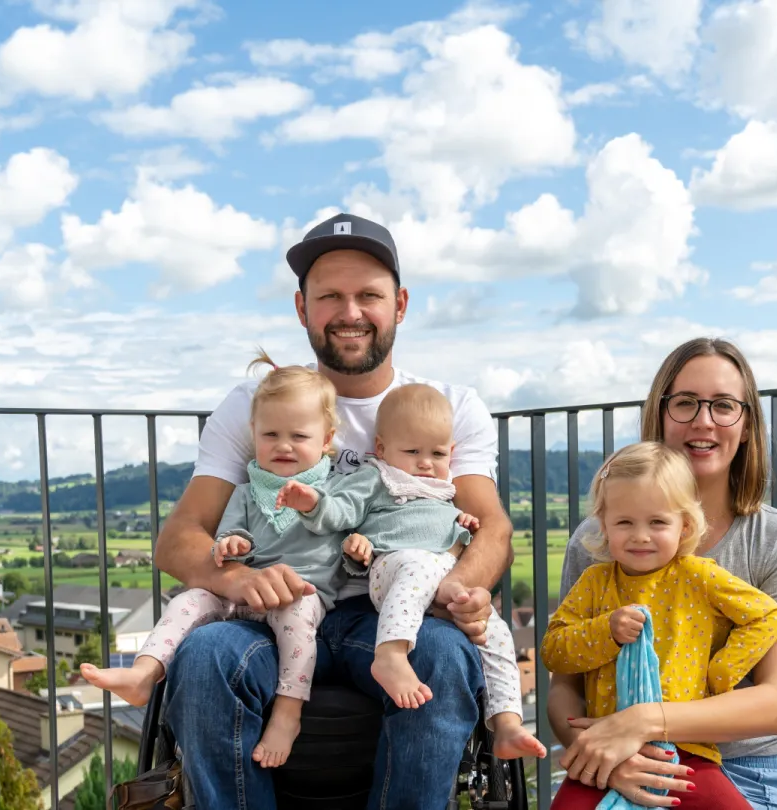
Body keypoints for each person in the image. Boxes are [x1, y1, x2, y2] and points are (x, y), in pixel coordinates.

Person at [152, 212, 514, 809]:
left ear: (399, 304)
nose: (350, 312)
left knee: (445, 653)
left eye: (368, 295)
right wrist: (240, 578)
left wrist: (456, 592)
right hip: (277, 612)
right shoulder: (256, 406)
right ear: (302, 309)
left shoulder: (448, 407)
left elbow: (489, 527)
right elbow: (179, 540)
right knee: (206, 655)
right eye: (330, 297)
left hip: (385, 613)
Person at [547, 338, 777, 810]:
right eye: (686, 403)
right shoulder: (598, 541)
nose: (703, 420)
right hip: (621, 760)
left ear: (748, 424)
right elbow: (564, 688)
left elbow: (776, 707)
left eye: (723, 405)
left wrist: (646, 721)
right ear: (660, 414)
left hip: (752, 772)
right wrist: (611, 754)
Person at [80, 356, 349, 768]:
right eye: (270, 434)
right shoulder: (245, 491)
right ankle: (144, 672)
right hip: (243, 596)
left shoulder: (331, 491)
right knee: (189, 600)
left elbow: (344, 525)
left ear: (326, 439)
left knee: (296, 621)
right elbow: (229, 534)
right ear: (253, 434)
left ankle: (288, 711)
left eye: (298, 435)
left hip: (302, 593)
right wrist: (230, 548)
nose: (283, 445)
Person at [276, 383, 546, 760]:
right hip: (394, 564)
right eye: (412, 451)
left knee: (494, 631)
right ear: (382, 449)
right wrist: (315, 505)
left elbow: (463, 531)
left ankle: (506, 722)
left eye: (436, 453)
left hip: (442, 575)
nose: (424, 462)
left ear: (451, 453)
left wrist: (461, 524)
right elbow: (341, 512)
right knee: (416, 566)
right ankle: (390, 654)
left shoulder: (445, 489)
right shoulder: (377, 477)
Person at [541, 441, 777, 810]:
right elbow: (554, 651)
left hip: (687, 751)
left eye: (657, 522)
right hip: (607, 752)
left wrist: (721, 673)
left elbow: (767, 615)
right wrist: (605, 631)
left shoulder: (699, 575)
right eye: (625, 522)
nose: (641, 535)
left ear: (684, 525)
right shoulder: (594, 582)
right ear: (604, 525)